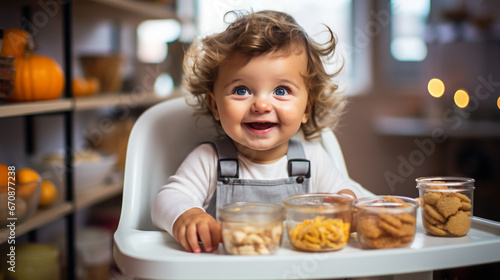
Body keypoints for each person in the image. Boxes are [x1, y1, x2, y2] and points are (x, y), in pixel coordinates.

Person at [151, 10, 372, 253]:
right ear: (215, 105)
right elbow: (168, 198)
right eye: (242, 90)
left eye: (281, 91)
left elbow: (357, 196)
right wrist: (188, 214)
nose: (262, 105)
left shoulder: (312, 159)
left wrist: (347, 200)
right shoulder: (209, 160)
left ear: (306, 108)